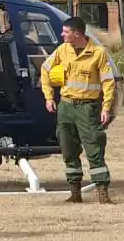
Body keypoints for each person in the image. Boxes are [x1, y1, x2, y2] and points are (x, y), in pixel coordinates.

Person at [40, 15, 116, 204]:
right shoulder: (63, 50)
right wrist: (49, 97)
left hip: (88, 108)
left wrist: (106, 107)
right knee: (68, 149)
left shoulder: (98, 53)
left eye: (65, 32)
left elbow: (108, 82)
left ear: (77, 33)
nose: (62, 35)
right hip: (66, 107)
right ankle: (75, 192)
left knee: (94, 148)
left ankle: (102, 192)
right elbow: (45, 69)